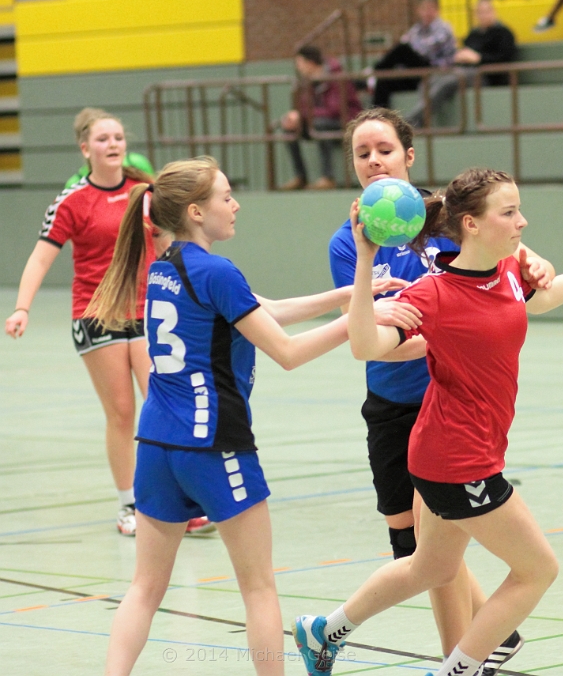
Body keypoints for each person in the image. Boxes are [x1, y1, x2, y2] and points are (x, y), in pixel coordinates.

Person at [296, 166, 563, 676]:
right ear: (471, 224)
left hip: (454, 450)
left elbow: (543, 298)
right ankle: (457, 671)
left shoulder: (506, 269)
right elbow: (365, 346)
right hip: (457, 459)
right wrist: (365, 263)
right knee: (537, 569)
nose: (521, 222)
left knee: (430, 568)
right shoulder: (433, 294)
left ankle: (323, 631)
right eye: (508, 213)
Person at [90, 156, 420, 676]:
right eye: (226, 196)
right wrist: (357, 320)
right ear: (196, 212)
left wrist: (354, 297)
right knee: (259, 588)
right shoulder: (217, 271)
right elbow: (286, 350)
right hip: (214, 444)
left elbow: (264, 308)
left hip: (156, 445)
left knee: (144, 588)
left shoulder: (165, 267)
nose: (236, 204)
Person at [327, 108, 555, 675]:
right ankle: (466, 655)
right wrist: (439, 333)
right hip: (399, 408)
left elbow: (505, 264)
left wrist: (534, 260)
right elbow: (376, 338)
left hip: (450, 402)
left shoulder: (447, 219)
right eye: (362, 153)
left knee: (436, 561)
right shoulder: (351, 243)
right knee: (421, 556)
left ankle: (463, 655)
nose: (374, 161)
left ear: (409, 155)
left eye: (384, 149)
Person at [3, 108, 213, 537]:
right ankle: (129, 506)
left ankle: (178, 503)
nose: (113, 144)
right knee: (121, 412)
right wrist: (22, 307)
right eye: (102, 139)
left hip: (148, 310)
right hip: (97, 314)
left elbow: (170, 244)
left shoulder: (146, 192)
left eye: (118, 137)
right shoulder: (71, 202)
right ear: (86, 149)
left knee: (164, 405)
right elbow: (41, 258)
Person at [405, 0, 517, 128]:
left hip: (486, 76)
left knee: (449, 81)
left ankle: (412, 121)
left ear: (494, 12)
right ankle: (424, 120)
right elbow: (463, 51)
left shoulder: (504, 34)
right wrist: (459, 57)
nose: (483, 15)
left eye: (487, 11)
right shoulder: (473, 34)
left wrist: (479, 58)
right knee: (429, 80)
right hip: (463, 70)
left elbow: (505, 59)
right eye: (480, 12)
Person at [281, 45, 364, 191]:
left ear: (310, 63)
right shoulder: (306, 81)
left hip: (347, 121)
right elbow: (303, 106)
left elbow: (335, 109)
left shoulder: (336, 77)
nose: (298, 67)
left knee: (320, 126)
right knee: (290, 131)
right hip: (318, 121)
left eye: (300, 63)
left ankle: (328, 177)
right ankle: (300, 177)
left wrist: (303, 115)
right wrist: (296, 118)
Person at [371, 0, 456, 109]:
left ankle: (374, 70)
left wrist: (408, 51)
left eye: (430, 8)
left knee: (403, 50)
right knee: (384, 81)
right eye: (424, 9)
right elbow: (405, 46)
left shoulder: (443, 28)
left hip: (434, 71)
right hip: (417, 73)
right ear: (419, 10)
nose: (427, 13)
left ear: (437, 10)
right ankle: (379, 115)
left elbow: (425, 50)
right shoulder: (416, 29)